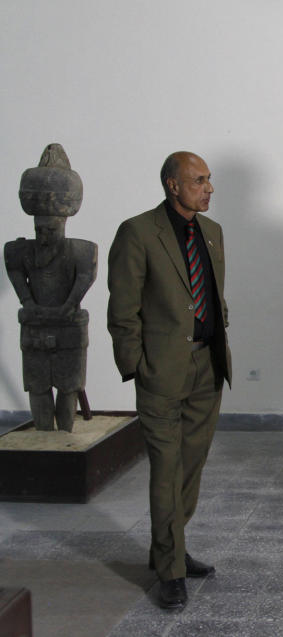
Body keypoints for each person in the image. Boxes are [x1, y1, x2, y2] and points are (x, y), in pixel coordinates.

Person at [107, 151, 231, 609]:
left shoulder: (213, 234)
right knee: (165, 468)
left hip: (207, 368)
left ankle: (170, 549)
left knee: (190, 469)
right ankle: (170, 570)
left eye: (209, 180)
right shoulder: (138, 232)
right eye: (199, 180)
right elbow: (122, 309)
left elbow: (215, 297)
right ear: (172, 185)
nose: (209, 188)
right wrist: (137, 366)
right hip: (160, 370)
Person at [5, 144, 96, 432]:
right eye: (39, 231)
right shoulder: (19, 251)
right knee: (38, 386)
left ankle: (64, 434)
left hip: (66, 327)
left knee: (68, 388)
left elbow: (85, 278)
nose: (43, 236)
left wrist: (68, 307)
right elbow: (15, 271)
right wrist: (27, 302)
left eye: (50, 230)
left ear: (63, 225)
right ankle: (44, 435)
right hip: (36, 327)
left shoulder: (81, 251)